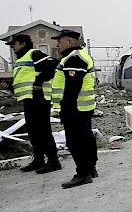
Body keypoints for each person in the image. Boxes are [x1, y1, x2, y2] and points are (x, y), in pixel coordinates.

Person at [2, 34, 60, 173]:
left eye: (14, 44)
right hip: (29, 100)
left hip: (39, 99)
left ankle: (54, 162)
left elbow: (52, 66)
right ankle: (38, 160)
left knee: (43, 131)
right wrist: (9, 87)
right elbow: (23, 82)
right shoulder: (20, 60)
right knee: (34, 132)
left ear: (22, 43)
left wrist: (38, 82)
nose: (12, 47)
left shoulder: (34, 53)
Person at [51, 29, 98, 188]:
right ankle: (90, 169)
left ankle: (82, 174)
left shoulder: (74, 59)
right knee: (86, 138)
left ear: (69, 41)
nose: (57, 45)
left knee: (75, 142)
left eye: (59, 41)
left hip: (75, 108)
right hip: (82, 107)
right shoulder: (78, 56)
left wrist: (64, 108)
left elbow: (72, 87)